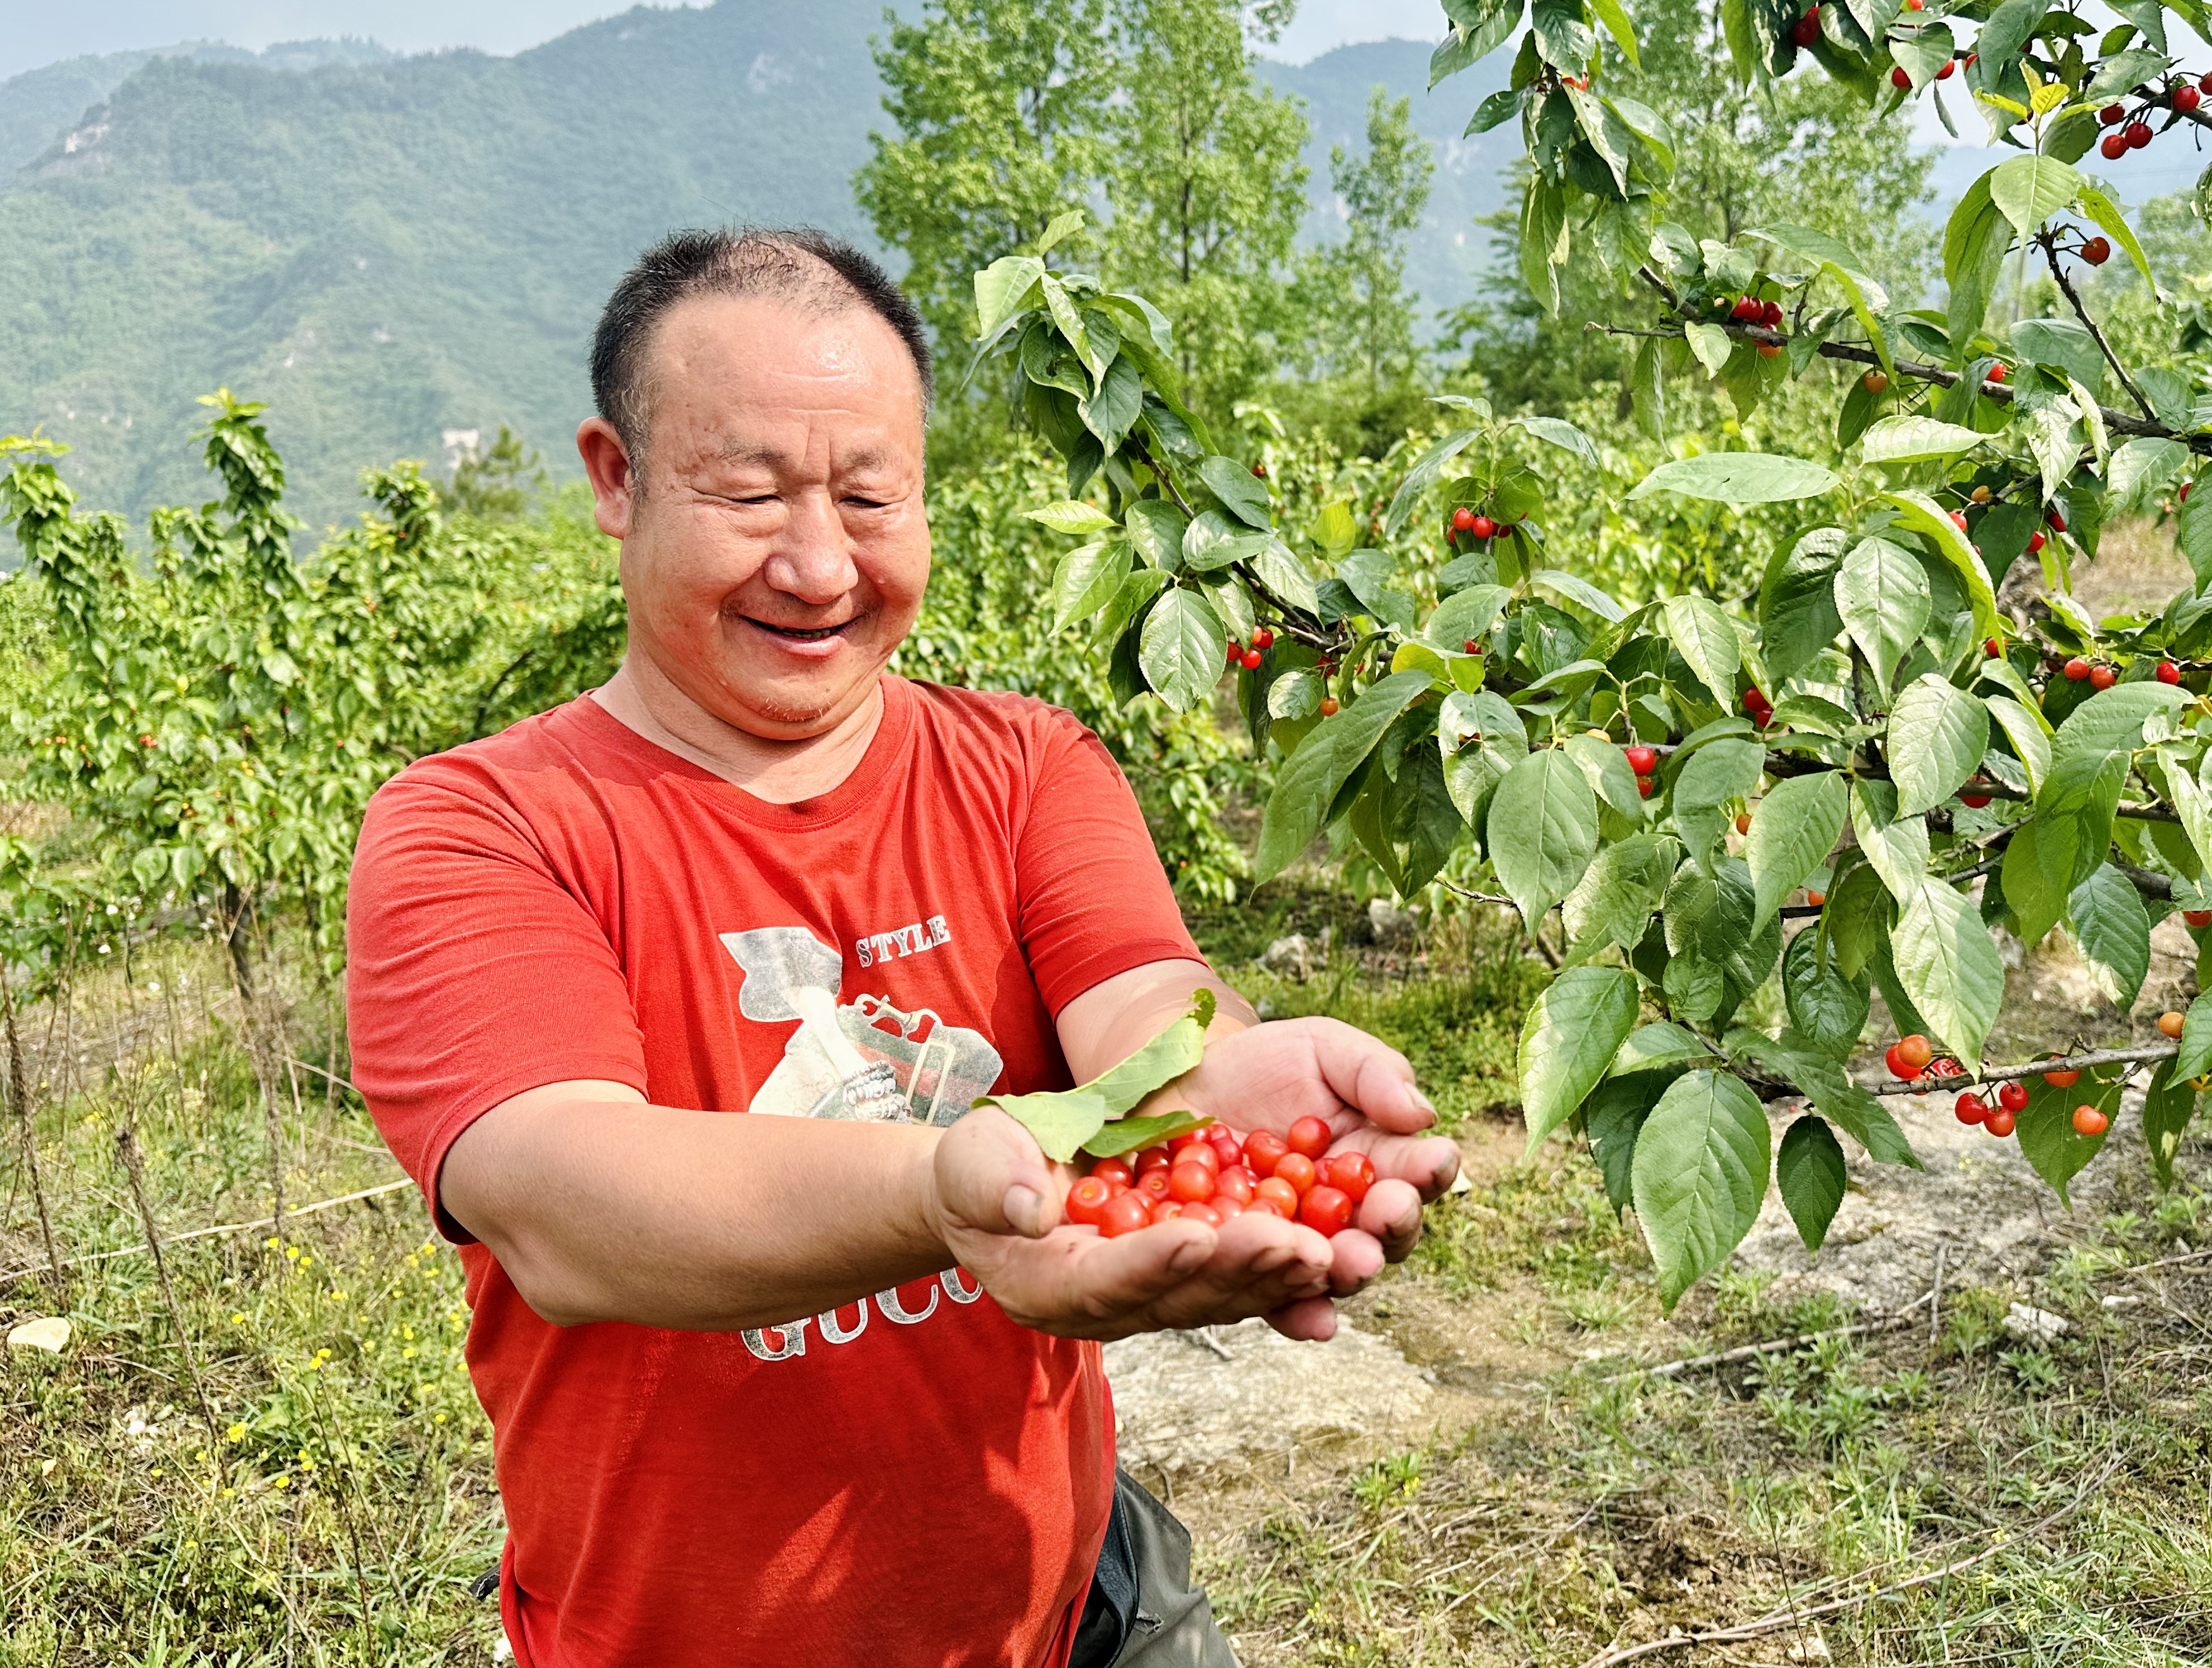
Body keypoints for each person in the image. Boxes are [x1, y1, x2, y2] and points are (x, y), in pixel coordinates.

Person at [345, 228, 1461, 1668]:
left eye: (871, 497)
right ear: (615, 481)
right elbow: (563, 1200)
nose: (819, 566)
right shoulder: (479, 827)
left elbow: (1145, 1007)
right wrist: (945, 1186)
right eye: (750, 492)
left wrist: (1226, 1077)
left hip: (1075, 1610)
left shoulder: (1026, 766)